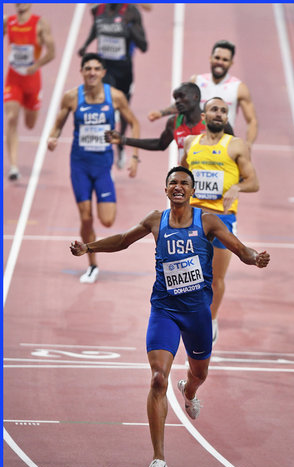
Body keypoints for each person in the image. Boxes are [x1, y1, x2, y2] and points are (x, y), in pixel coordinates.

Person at [69, 166, 270, 467]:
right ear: (166, 190)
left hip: (197, 314)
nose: (178, 187)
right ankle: (158, 458)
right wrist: (89, 248)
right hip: (164, 310)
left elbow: (240, 248)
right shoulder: (155, 220)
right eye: (173, 183)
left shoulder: (208, 221)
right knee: (158, 379)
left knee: (199, 374)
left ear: (192, 191)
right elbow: (123, 240)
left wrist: (255, 257)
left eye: (184, 183)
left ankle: (189, 392)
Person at [47, 53, 140, 284]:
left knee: (107, 220)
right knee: (86, 217)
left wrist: (134, 156)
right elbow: (57, 125)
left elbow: (135, 123)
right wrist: (53, 137)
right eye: (87, 68)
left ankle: (91, 239)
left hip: (103, 166)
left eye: (96, 69)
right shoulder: (71, 97)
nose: (91, 72)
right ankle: (92, 262)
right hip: (79, 164)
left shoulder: (115, 97)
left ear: (103, 73)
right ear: (82, 71)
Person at [181, 97, 259, 342]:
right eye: (214, 109)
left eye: (224, 111)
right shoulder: (190, 143)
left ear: (227, 118)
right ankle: (186, 315)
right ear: (203, 116)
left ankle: (211, 319)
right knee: (188, 274)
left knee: (216, 278)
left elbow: (254, 182)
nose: (219, 114)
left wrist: (237, 188)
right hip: (193, 218)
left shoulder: (236, 146)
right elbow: (181, 175)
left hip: (223, 220)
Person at [148, 40, 258, 148]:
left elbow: (252, 120)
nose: (220, 62)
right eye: (217, 58)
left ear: (231, 63)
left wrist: (248, 145)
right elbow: (184, 104)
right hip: (196, 143)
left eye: (225, 60)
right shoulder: (197, 81)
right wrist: (161, 113)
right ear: (210, 58)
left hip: (222, 145)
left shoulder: (239, 87)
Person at [78, 3, 148, 170]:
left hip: (124, 71)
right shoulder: (98, 10)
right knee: (104, 106)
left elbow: (144, 46)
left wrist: (128, 28)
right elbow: (96, 29)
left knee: (123, 111)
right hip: (104, 70)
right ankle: (100, 147)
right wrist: (86, 45)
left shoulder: (131, 13)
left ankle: (121, 143)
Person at [104, 82, 233, 164]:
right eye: (175, 98)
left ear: (195, 97)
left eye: (182, 96)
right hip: (187, 185)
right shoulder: (174, 123)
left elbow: (235, 147)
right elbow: (160, 144)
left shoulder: (214, 122)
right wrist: (123, 140)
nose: (177, 101)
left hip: (211, 184)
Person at [4, 3, 55, 180]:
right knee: (11, 117)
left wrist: (37, 65)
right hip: (13, 78)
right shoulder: (7, 22)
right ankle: (14, 167)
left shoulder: (40, 24)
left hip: (32, 80)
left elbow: (52, 52)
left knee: (30, 124)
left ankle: (28, 106)